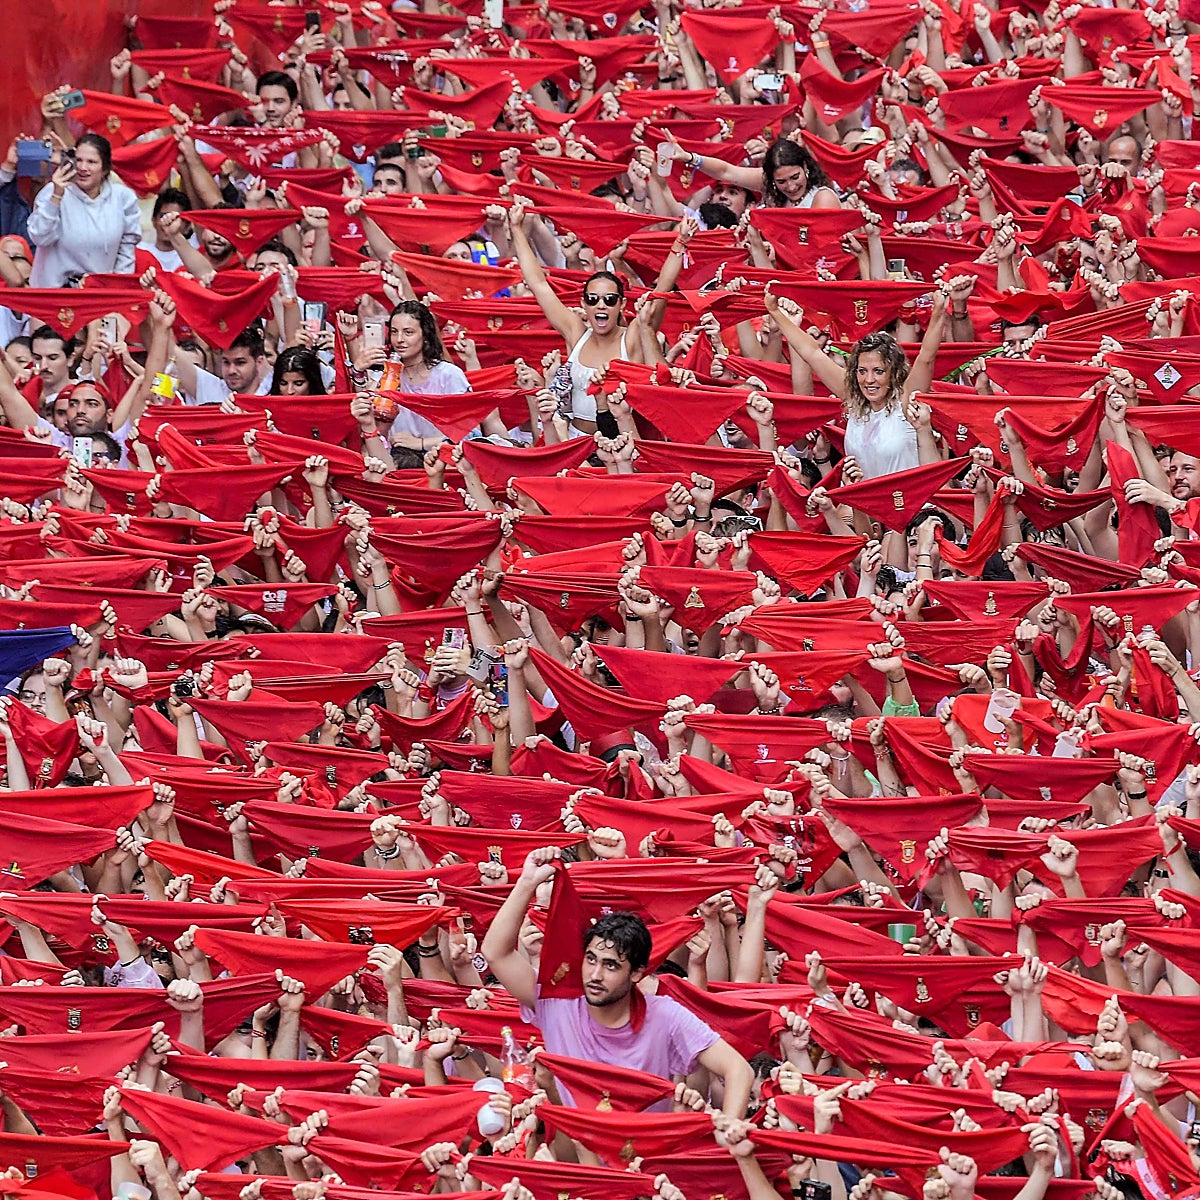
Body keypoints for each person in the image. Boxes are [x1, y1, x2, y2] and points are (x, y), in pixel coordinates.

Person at [482, 847, 754, 1117]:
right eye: (591, 959)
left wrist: (730, 1134)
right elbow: (496, 952)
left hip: (646, 1155)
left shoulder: (665, 1015)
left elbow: (738, 1070)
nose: (595, 974)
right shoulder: (557, 1002)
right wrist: (527, 882)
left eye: (610, 965)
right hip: (578, 1155)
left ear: (637, 973)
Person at [765, 287, 947, 478]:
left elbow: (926, 357)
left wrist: (938, 312)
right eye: (862, 371)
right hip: (863, 506)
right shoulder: (854, 398)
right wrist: (776, 313)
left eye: (878, 371)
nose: (869, 380)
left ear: (894, 373)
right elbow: (812, 353)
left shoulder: (905, 403)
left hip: (908, 505)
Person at [26, 134, 140, 286]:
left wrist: (115, 290)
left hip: (97, 295)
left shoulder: (124, 197)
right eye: (78, 160)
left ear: (105, 169)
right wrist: (56, 196)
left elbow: (126, 252)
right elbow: (40, 237)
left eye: (91, 162)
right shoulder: (51, 191)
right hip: (52, 293)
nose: (82, 168)